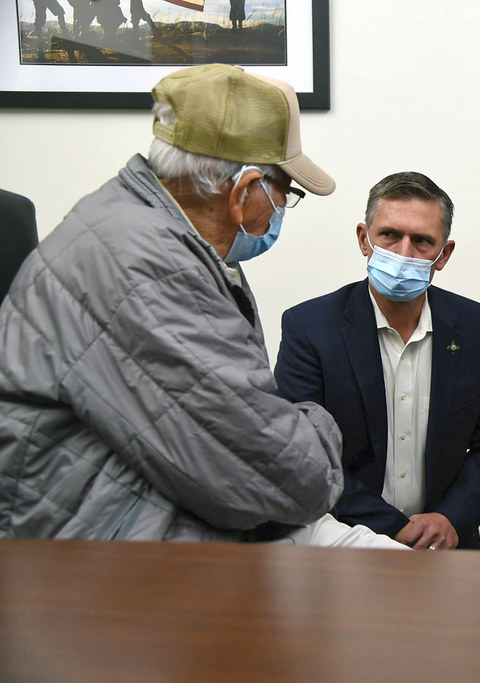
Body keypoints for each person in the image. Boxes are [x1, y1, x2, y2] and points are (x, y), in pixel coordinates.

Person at [0, 63, 404, 550]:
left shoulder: (144, 233)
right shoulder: (148, 265)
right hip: (95, 559)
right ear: (244, 192)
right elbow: (294, 479)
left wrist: (282, 424)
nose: (282, 208)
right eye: (286, 192)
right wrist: (317, 421)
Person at [274, 172, 480, 550]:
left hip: (446, 545)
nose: (404, 253)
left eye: (422, 241)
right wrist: (394, 529)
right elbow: (302, 454)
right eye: (389, 235)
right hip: (344, 540)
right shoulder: (309, 328)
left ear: (444, 254)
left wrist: (451, 519)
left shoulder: (478, 329)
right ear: (364, 239)